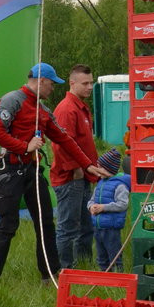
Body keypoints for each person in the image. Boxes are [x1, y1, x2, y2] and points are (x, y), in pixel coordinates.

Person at [0, 62, 109, 290]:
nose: (53, 88)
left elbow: (65, 139)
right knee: (8, 225)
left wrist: (87, 165)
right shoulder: (12, 100)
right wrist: (24, 146)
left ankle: (49, 274)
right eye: (52, 84)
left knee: (46, 223)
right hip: (10, 171)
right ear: (41, 81)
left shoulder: (43, 110)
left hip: (33, 170)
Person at [50, 65, 111, 270]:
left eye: (91, 82)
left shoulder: (80, 107)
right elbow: (60, 144)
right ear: (72, 83)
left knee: (86, 226)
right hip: (71, 178)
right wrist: (75, 168)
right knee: (68, 227)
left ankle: (83, 265)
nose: (90, 87)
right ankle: (64, 269)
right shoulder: (67, 109)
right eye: (85, 83)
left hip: (84, 176)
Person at [88, 149, 131, 272]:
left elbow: (122, 204)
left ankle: (118, 276)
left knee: (114, 255)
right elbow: (91, 200)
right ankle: (104, 276)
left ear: (108, 169)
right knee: (101, 257)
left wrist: (103, 207)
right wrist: (91, 207)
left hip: (111, 228)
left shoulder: (120, 185)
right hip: (98, 226)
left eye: (100, 167)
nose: (97, 170)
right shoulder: (100, 183)